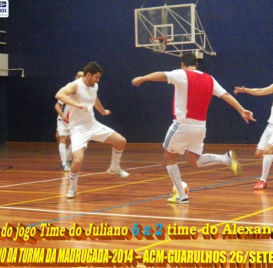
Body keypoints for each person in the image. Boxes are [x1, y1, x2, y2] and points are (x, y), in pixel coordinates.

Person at [132, 52, 256, 204]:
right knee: (194, 160)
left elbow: (162, 75)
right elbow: (226, 95)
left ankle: (181, 194)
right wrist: (241, 110)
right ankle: (225, 159)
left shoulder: (181, 74)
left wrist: (143, 78)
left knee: (168, 157)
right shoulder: (210, 79)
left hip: (182, 125)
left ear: (182, 65)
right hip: (200, 127)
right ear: (196, 65)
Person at [55, 61, 129, 198]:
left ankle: (114, 168)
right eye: (96, 77)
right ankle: (72, 188)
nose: (98, 80)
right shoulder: (75, 85)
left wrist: (102, 111)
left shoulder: (94, 86)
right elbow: (59, 95)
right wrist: (76, 104)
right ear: (88, 75)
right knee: (77, 160)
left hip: (92, 125)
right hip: (78, 129)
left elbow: (94, 99)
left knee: (121, 141)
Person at [234, 83, 273, 190]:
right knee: (259, 154)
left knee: (268, 151)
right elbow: (260, 91)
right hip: (271, 125)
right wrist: (245, 90)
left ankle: (263, 181)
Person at [55, 71, 84, 171]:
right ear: (76, 77)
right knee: (62, 139)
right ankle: (64, 163)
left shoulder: (83, 92)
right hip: (63, 120)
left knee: (77, 142)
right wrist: (62, 115)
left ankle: (67, 159)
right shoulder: (68, 90)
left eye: (82, 76)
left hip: (74, 121)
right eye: (79, 76)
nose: (80, 78)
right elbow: (57, 105)